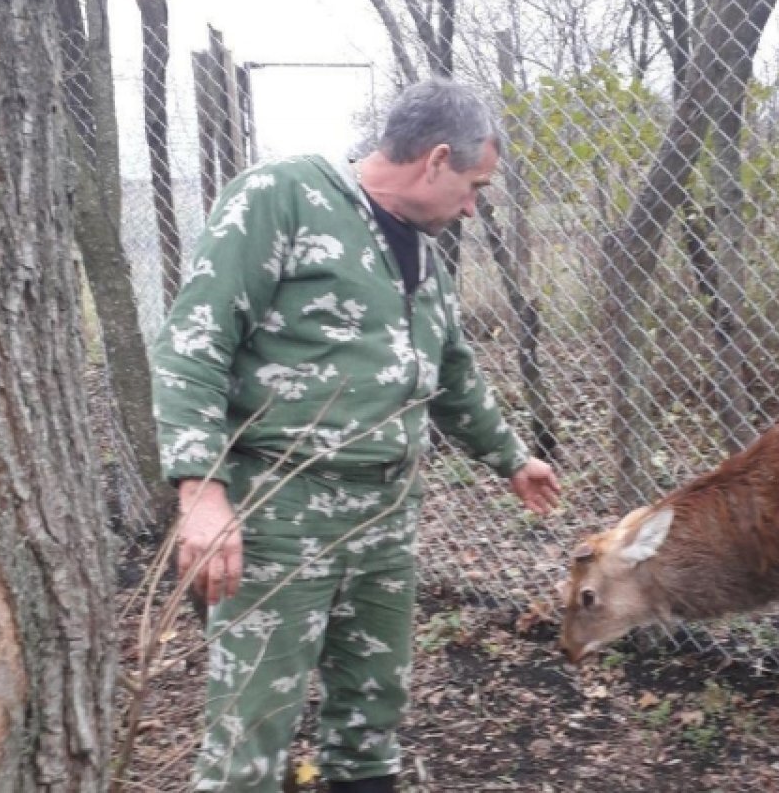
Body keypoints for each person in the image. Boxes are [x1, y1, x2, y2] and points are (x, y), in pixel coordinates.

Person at [151, 78, 561, 792]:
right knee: (251, 734)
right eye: (473, 185)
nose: (472, 205)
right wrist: (202, 491)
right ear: (435, 159)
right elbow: (195, 341)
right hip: (280, 512)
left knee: (372, 722)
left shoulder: (423, 253)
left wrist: (511, 458)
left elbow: (451, 371)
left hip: (384, 517)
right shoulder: (283, 195)